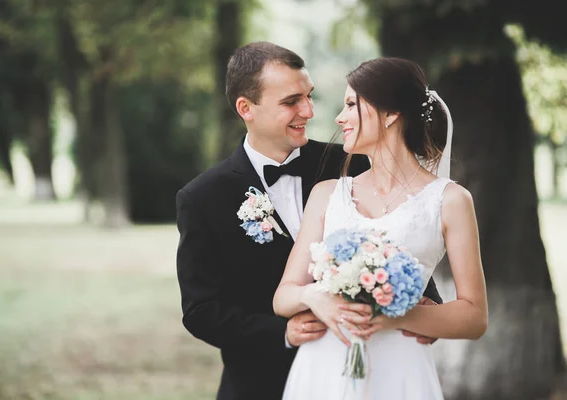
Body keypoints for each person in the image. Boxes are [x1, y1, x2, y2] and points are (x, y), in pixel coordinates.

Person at [176, 43, 443, 400]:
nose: (309, 111)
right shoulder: (203, 197)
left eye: (309, 96)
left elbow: (400, 234)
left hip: (365, 375)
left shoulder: (350, 163)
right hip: (259, 384)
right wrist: (283, 333)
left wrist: (427, 302)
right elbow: (201, 310)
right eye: (291, 102)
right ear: (246, 108)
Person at [273, 57, 488, 400]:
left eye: (350, 105)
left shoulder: (450, 200)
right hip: (323, 368)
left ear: (390, 114)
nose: (339, 118)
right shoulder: (327, 194)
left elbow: (475, 317)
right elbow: (283, 297)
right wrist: (313, 296)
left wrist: (397, 316)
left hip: (400, 371)